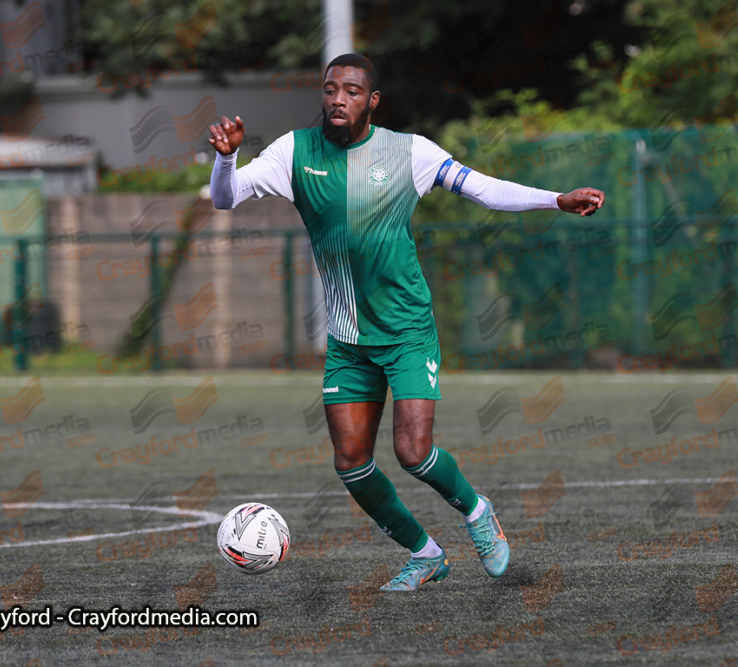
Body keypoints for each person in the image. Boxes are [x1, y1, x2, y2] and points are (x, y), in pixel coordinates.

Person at [207, 53, 604, 592]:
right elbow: (224, 199)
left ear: (371, 101)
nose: (337, 99)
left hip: (407, 332)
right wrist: (227, 160)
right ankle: (425, 554)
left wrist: (555, 199)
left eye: (350, 91)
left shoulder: (409, 152)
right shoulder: (294, 151)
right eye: (329, 89)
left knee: (413, 452)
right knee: (350, 461)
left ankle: (477, 511)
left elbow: (484, 188)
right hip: (349, 341)